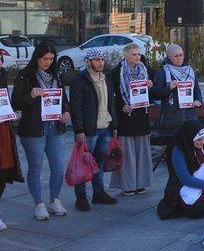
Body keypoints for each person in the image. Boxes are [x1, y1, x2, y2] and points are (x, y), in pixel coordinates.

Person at [11, 41, 71, 220]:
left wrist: (66, 111)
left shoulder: (55, 76)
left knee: (58, 167)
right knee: (35, 168)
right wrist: (31, 94)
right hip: (33, 129)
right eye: (45, 59)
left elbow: (63, 99)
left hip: (54, 127)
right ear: (37, 57)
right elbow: (16, 102)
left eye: (52, 59)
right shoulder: (25, 76)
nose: (48, 62)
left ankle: (55, 200)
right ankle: (39, 204)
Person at [69, 48, 118, 211]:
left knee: (99, 163)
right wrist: (79, 130)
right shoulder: (80, 81)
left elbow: (110, 104)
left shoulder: (106, 79)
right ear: (88, 61)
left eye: (102, 59)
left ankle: (98, 193)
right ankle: (81, 197)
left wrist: (114, 125)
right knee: (83, 164)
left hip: (105, 128)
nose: (100, 63)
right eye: (97, 60)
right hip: (89, 130)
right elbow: (76, 107)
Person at [109, 43, 154, 195]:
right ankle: (127, 185)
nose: (137, 57)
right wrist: (122, 105)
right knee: (128, 154)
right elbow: (111, 97)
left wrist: (150, 86)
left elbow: (153, 96)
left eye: (138, 54)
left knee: (142, 152)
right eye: (134, 54)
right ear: (126, 55)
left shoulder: (145, 70)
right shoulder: (116, 73)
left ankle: (140, 183)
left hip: (141, 116)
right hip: (125, 118)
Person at [0, 54, 24, 230]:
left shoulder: (2, 74)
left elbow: (4, 101)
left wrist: (11, 113)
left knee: (3, 171)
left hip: (3, 131)